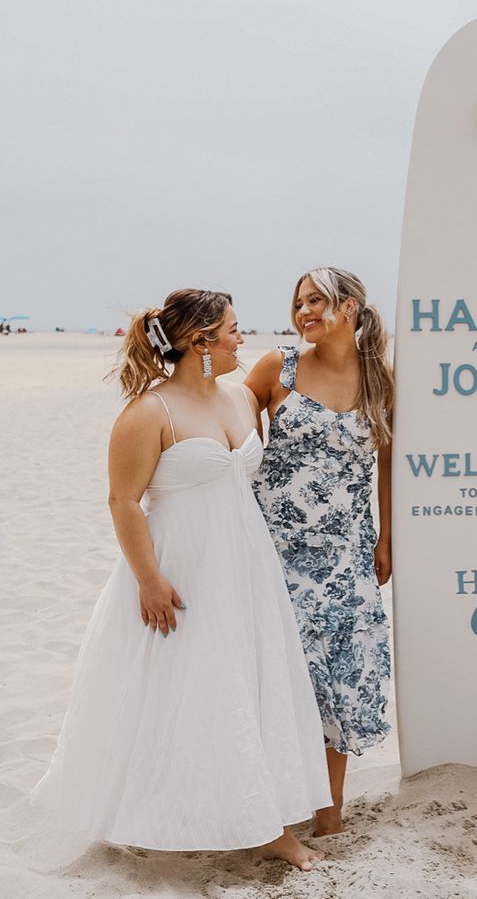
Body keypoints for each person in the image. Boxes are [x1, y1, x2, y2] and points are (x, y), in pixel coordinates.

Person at [32, 289, 331, 869]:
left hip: (245, 566)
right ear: (201, 342)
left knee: (244, 681)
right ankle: (210, 822)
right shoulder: (148, 414)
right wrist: (147, 579)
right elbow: (123, 501)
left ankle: (263, 821)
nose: (243, 338)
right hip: (179, 569)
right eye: (233, 330)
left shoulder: (241, 400)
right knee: (184, 689)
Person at [246, 268, 394, 836]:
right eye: (299, 302)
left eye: (317, 301)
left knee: (344, 676)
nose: (304, 311)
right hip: (274, 550)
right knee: (291, 674)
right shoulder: (276, 367)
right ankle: (279, 805)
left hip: (347, 554)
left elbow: (387, 458)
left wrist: (387, 537)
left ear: (349, 307)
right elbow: (225, 422)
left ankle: (330, 813)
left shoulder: (380, 378)